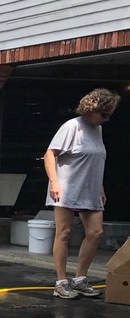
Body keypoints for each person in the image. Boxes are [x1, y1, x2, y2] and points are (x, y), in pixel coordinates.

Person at [44, 88, 121, 300]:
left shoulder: (98, 129)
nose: (106, 119)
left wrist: (101, 186)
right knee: (64, 233)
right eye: (103, 114)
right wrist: (54, 182)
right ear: (92, 109)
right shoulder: (71, 127)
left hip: (91, 190)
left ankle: (79, 279)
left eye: (109, 116)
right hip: (67, 188)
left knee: (95, 232)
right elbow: (50, 154)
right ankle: (61, 282)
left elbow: (94, 160)